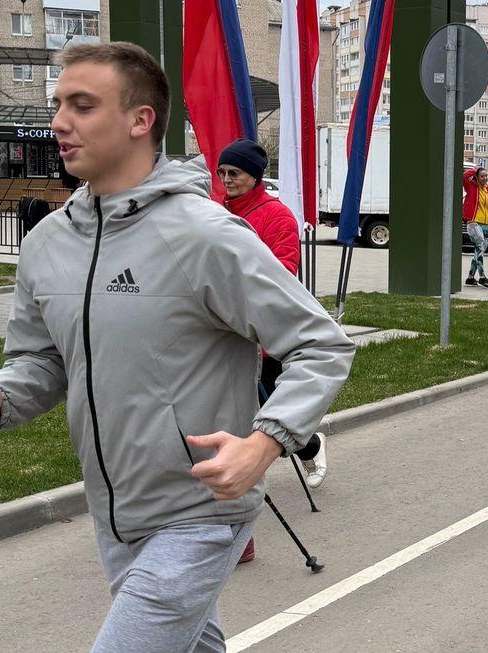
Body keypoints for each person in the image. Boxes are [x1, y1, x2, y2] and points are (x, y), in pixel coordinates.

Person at [0, 42, 354, 652]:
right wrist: (1, 399)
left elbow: (320, 345)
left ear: (141, 120)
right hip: (114, 510)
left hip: (201, 509)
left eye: (83, 105)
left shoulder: (205, 235)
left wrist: (264, 443)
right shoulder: (47, 243)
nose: (59, 122)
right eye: (59, 104)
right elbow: (43, 360)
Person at [217, 137, 329, 564]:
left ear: (254, 176)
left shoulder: (276, 216)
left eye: (235, 173)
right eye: (223, 173)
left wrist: (236, 300)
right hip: (221, 335)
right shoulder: (216, 211)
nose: (227, 180)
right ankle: (234, 523)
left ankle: (309, 446)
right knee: (234, 424)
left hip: (261, 336)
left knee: (264, 422)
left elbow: (283, 274)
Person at [462, 166, 488, 288]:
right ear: (476, 177)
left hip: (487, 224)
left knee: (479, 251)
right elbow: (464, 176)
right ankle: (482, 277)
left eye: (486, 175)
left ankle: (470, 277)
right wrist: (476, 169)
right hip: (474, 222)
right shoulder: (471, 187)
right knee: (480, 246)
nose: (485, 178)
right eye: (482, 176)